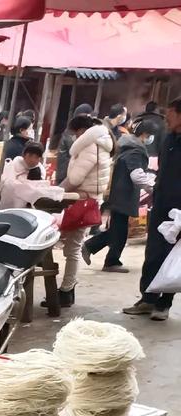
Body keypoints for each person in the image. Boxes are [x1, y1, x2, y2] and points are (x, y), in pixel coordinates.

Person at [124, 98, 181, 320]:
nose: (167, 117)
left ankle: (163, 305)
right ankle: (147, 299)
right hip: (160, 203)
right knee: (153, 253)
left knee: (171, 256)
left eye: (171, 113)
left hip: (178, 210)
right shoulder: (168, 139)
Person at [84, 121, 155, 273]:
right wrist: (154, 190)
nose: (150, 139)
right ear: (144, 134)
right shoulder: (136, 150)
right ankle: (110, 260)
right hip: (124, 195)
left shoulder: (126, 146)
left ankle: (93, 248)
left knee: (118, 229)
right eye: (150, 135)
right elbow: (137, 175)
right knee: (119, 231)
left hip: (118, 193)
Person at [58, 113, 113, 307]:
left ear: (81, 130)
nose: (74, 137)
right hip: (89, 199)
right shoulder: (100, 143)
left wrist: (55, 192)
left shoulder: (90, 145)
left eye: (75, 133)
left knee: (72, 248)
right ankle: (67, 290)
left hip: (82, 200)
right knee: (73, 246)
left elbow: (75, 178)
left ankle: (66, 291)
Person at [0, 141, 46, 210]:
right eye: (30, 156)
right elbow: (6, 183)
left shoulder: (40, 170)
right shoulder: (14, 165)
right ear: (24, 155)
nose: (33, 160)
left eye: (36, 157)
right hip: (11, 203)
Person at [54, 103, 93, 184]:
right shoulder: (71, 133)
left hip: (67, 174)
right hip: (65, 175)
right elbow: (76, 150)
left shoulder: (72, 131)